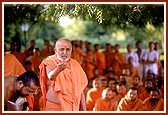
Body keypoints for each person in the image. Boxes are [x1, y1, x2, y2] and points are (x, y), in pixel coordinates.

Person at [39, 38, 88, 111]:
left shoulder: (75, 64)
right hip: (53, 106)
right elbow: (50, 76)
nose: (65, 52)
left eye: (68, 49)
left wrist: (84, 110)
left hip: (71, 107)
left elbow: (80, 89)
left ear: (71, 50)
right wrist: (57, 70)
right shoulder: (50, 61)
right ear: (55, 50)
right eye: (61, 49)